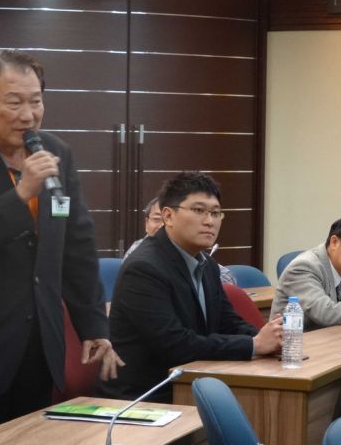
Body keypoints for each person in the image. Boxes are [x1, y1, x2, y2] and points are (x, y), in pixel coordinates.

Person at [0, 49, 124, 444]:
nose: (28, 115)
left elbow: (77, 248)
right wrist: (22, 193)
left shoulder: (56, 153)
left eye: (36, 101)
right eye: (14, 102)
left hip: (39, 347)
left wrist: (93, 326)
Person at [98, 172, 282, 403]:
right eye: (198, 210)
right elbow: (175, 345)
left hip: (190, 383)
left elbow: (228, 323)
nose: (209, 221)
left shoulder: (207, 265)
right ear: (168, 216)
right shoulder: (144, 268)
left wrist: (270, 340)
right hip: (144, 397)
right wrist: (253, 345)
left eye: (215, 213)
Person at [123, 196, 238, 286]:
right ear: (146, 224)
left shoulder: (185, 248)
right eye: (157, 219)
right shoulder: (138, 254)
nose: (162, 225)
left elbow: (227, 277)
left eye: (215, 213)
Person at [271, 215, 341, 331]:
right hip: (295, 340)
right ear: (334, 242)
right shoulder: (303, 267)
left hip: (331, 337)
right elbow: (324, 313)